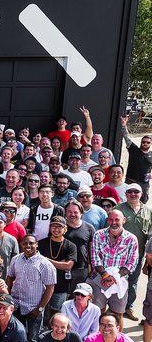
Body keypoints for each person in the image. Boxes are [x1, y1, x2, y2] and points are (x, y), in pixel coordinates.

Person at [89, 210, 138, 331]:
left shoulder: (131, 239)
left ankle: (117, 339)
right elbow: (95, 258)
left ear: (123, 220)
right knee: (98, 313)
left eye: (117, 220)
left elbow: (132, 263)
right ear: (107, 221)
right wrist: (105, 276)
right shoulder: (99, 235)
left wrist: (114, 277)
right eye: (111, 220)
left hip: (120, 282)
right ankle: (98, 338)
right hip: (100, 280)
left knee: (117, 314)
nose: (114, 222)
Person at [7, 235, 57, 342]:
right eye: (25, 243)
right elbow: (10, 277)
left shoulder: (45, 264)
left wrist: (40, 309)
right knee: (16, 335)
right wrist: (8, 298)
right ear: (21, 245)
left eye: (31, 243)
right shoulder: (16, 260)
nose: (28, 246)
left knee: (33, 338)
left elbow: (50, 288)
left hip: (34, 309)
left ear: (37, 245)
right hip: (16, 306)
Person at [113, 182, 151, 322]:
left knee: (133, 282)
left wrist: (147, 259)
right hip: (119, 254)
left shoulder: (148, 211)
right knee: (118, 279)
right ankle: (114, 307)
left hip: (139, 253)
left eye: (136, 192)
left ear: (141, 194)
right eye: (130, 192)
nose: (133, 194)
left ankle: (128, 307)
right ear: (126, 194)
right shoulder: (118, 209)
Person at [38, 216, 77, 319]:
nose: (56, 229)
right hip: (41, 286)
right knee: (39, 313)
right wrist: (60, 263)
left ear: (65, 229)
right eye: (54, 226)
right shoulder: (41, 243)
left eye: (60, 227)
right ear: (50, 228)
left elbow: (68, 265)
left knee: (55, 314)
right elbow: (38, 264)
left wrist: (47, 260)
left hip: (60, 286)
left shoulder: (71, 246)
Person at [63, 201, 96, 291]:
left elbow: (92, 250)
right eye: (69, 211)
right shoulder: (60, 227)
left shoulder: (89, 228)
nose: (72, 214)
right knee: (61, 297)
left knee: (77, 296)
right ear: (65, 212)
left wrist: (92, 269)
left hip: (81, 268)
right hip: (61, 267)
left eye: (75, 212)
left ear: (81, 213)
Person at [120, 116, 152, 202]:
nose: (145, 143)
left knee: (142, 204)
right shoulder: (134, 149)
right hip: (130, 181)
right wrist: (123, 125)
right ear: (141, 142)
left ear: (150, 143)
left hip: (143, 184)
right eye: (143, 142)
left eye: (147, 142)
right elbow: (126, 137)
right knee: (126, 202)